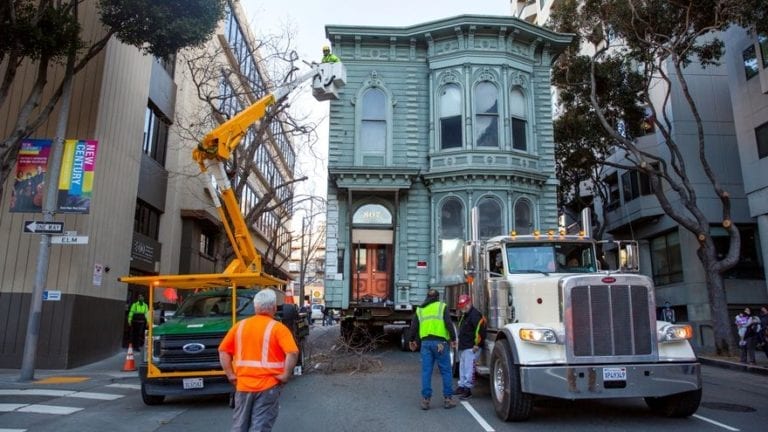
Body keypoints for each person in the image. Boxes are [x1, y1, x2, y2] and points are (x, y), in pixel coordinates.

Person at [219, 289, 299, 432]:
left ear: (255, 307)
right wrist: (286, 375)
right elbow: (292, 353)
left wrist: (230, 374)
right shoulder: (278, 328)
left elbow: (223, 350)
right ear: (274, 308)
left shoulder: (240, 326)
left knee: (239, 426)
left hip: (243, 385)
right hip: (268, 385)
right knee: (260, 427)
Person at [408, 289, 458, 410]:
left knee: (426, 372)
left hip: (425, 343)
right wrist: (453, 338)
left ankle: (426, 400)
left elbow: (414, 326)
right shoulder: (442, 306)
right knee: (446, 371)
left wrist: (411, 340)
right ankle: (447, 399)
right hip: (440, 344)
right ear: (437, 297)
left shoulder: (420, 309)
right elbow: (448, 323)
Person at [454, 294, 486, 400]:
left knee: (469, 369)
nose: (463, 307)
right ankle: (462, 386)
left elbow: (480, 330)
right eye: (462, 305)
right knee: (463, 367)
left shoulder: (475, 315)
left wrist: (477, 344)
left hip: (471, 347)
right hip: (464, 345)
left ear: (469, 303)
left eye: (465, 305)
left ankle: (467, 389)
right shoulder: (467, 314)